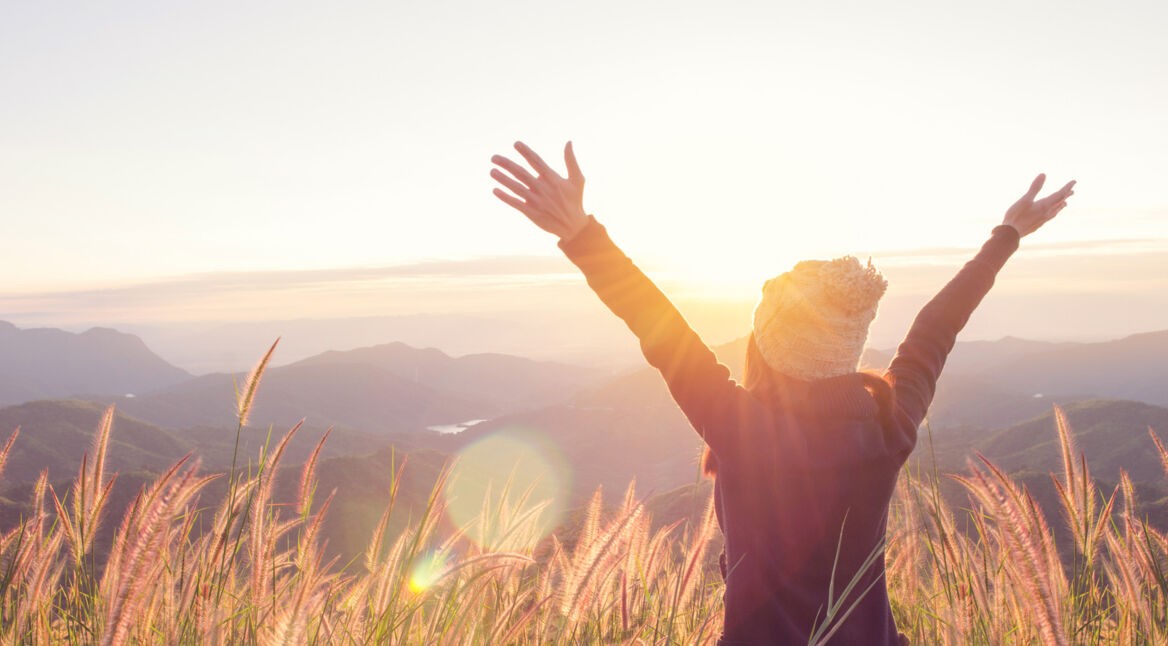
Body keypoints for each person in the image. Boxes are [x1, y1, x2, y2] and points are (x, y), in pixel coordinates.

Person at [490, 141, 1074, 645]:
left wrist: (581, 233)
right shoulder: (890, 422)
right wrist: (1007, 235)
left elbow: (658, 327)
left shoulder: (745, 431)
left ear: (765, 345)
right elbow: (935, 330)